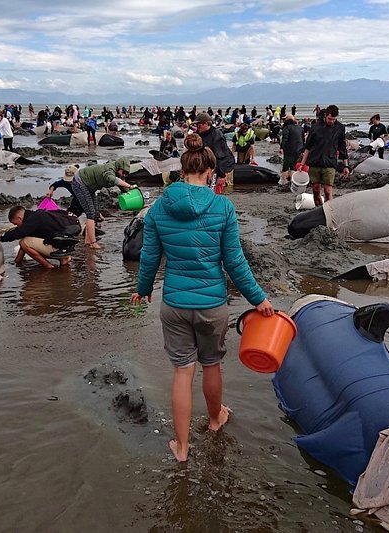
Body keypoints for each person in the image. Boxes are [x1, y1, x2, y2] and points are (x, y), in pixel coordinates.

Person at [130, 133, 274, 462]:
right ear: (209, 172)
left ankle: (181, 447)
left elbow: (149, 257)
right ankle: (214, 419)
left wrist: (143, 289)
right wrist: (258, 299)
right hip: (211, 305)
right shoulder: (222, 206)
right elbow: (234, 262)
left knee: (182, 372)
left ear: (182, 171)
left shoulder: (158, 209)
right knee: (211, 365)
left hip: (175, 304)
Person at [0, 205, 81, 269]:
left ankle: (49, 266)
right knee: (25, 241)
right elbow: (24, 236)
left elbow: (18, 234)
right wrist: (17, 262)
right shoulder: (38, 216)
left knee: (24, 242)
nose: (17, 226)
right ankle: (63, 259)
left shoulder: (34, 219)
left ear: (19, 218)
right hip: (67, 246)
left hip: (59, 247)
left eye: (15, 223)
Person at [72, 158, 135, 249]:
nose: (124, 174)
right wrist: (129, 185)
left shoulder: (116, 172)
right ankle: (93, 243)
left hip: (89, 186)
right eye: (123, 172)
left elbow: (122, 187)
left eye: (126, 173)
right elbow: (111, 178)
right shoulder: (109, 170)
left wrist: (133, 197)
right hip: (80, 182)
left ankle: (87, 240)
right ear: (119, 167)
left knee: (95, 213)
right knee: (91, 214)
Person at [298, 105, 349, 206]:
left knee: (327, 191)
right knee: (316, 191)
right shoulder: (316, 127)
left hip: (329, 163)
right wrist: (302, 163)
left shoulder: (340, 128)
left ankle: (329, 212)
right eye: (330, 119)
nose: (331, 121)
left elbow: (342, 147)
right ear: (325, 115)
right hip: (314, 162)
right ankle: (319, 210)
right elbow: (308, 146)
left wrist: (346, 166)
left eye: (334, 119)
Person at [196, 112, 235, 193]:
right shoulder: (200, 134)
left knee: (213, 193)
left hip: (218, 169)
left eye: (198, 125)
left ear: (206, 124)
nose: (197, 127)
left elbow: (222, 156)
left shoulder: (217, 135)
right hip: (206, 168)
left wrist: (221, 175)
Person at [279, 114, 305, 185]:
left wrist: (281, 148)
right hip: (298, 150)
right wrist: (302, 151)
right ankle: (292, 181)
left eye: (285, 119)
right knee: (293, 166)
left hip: (289, 149)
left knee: (286, 166)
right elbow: (303, 140)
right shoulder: (300, 128)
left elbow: (285, 139)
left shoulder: (286, 128)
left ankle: (284, 182)